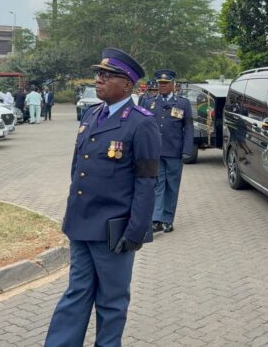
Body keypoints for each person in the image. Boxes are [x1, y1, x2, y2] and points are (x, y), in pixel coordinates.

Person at [45, 48, 160, 347]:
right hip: (81, 224)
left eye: (108, 76)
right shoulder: (91, 114)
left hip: (114, 230)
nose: (99, 80)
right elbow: (78, 168)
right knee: (76, 293)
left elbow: (146, 181)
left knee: (111, 301)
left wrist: (136, 230)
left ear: (127, 85)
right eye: (99, 74)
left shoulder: (141, 122)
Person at [144, 70, 193, 233]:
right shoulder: (149, 103)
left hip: (174, 152)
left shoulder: (183, 103)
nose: (162, 86)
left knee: (172, 186)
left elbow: (189, 127)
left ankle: (167, 220)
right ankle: (156, 219)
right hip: (155, 152)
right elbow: (143, 128)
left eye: (166, 83)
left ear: (173, 85)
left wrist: (187, 150)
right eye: (160, 84)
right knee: (157, 185)